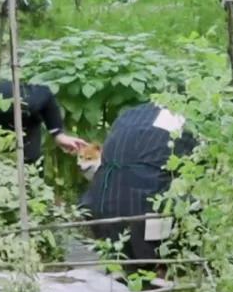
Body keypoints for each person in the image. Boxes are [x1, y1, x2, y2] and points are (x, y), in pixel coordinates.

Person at [78, 103, 195, 280]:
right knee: (176, 203)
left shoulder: (130, 116)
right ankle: (157, 264)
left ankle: (118, 261)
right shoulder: (181, 123)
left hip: (102, 198)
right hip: (144, 201)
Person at [0, 78, 85, 165]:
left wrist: (58, 134)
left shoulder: (23, 102)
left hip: (21, 119)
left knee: (27, 161)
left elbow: (46, 94)